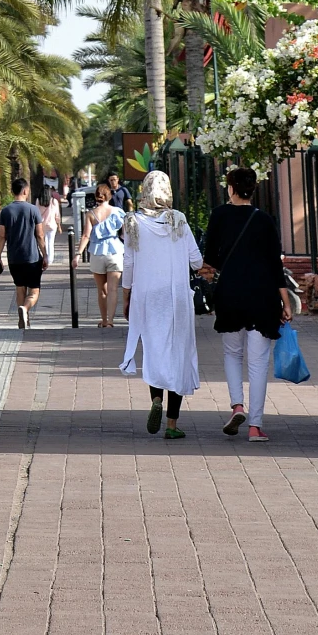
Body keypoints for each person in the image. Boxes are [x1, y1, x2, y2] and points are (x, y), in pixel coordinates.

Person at [199, 164, 288, 443]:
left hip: (230, 293)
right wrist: (285, 302)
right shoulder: (264, 220)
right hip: (262, 296)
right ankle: (255, 426)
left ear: (231, 188)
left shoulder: (219, 215)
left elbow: (209, 258)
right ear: (253, 189)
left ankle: (237, 405)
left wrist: (206, 270)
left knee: (232, 354)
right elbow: (276, 264)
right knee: (259, 361)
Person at [119, 168, 202, 437]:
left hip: (147, 297)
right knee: (177, 353)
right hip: (176, 297)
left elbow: (129, 264)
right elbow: (196, 261)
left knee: (154, 351)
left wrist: (126, 295)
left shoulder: (132, 221)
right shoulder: (178, 220)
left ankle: (156, 400)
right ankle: (172, 425)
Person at [0, 176, 46, 328]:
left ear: (13, 191)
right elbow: (40, 235)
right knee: (34, 291)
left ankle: (24, 321)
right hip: (32, 257)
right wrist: (46, 254)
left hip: (14, 258)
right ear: (25, 190)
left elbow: (2, 236)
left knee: (20, 288)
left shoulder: (5, 211)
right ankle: (25, 309)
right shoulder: (33, 210)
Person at [80, 185, 125, 327]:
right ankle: (111, 321)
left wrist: (77, 254)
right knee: (113, 289)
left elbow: (86, 235)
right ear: (109, 196)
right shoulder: (118, 212)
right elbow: (125, 234)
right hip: (115, 251)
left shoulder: (91, 214)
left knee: (102, 290)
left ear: (96, 196)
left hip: (97, 252)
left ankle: (104, 320)